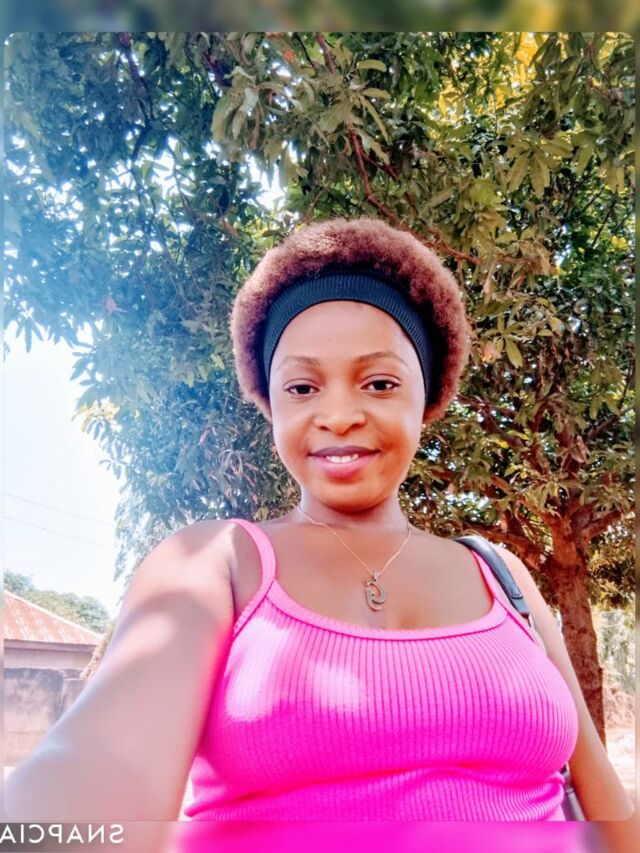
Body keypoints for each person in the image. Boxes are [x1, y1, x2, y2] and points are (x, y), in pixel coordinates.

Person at [3, 218, 635, 850]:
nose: (337, 416)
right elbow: (98, 761)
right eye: (302, 387)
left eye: (379, 383)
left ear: (427, 397)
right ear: (272, 405)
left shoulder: (501, 576)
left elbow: (608, 812)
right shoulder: (215, 563)